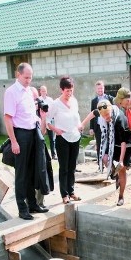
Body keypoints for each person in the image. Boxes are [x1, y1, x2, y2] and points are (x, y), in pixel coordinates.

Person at [3, 62, 49, 220]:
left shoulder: (30, 91)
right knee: (21, 173)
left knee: (32, 170)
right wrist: (14, 141)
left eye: (30, 77)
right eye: (26, 77)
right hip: (20, 134)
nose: (29, 80)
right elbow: (8, 118)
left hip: (32, 132)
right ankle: (22, 208)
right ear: (18, 74)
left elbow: (31, 113)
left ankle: (32, 203)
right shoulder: (11, 92)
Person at [81, 99, 131, 206]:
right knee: (104, 158)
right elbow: (93, 113)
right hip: (111, 141)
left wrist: (120, 161)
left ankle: (121, 196)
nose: (106, 117)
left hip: (123, 144)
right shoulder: (101, 112)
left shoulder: (120, 119)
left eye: (108, 115)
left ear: (110, 110)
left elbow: (124, 142)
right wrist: (82, 124)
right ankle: (114, 173)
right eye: (104, 116)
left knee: (122, 170)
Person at [47, 76, 84, 204]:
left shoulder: (74, 101)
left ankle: (71, 191)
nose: (69, 93)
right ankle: (64, 194)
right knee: (64, 167)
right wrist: (56, 130)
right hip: (62, 138)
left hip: (75, 137)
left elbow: (77, 117)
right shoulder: (55, 104)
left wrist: (79, 126)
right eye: (67, 90)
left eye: (71, 90)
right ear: (61, 90)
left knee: (72, 166)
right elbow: (47, 121)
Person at [90, 80, 114, 172]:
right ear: (96, 90)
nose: (100, 90)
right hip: (98, 127)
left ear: (104, 88)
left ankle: (110, 163)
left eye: (101, 88)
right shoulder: (94, 101)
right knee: (99, 145)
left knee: (109, 144)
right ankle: (100, 166)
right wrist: (91, 127)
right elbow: (92, 114)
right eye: (98, 88)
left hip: (108, 125)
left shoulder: (110, 98)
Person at [38, 85, 56, 160]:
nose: (44, 92)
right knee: (41, 137)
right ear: (40, 91)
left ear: (46, 91)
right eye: (42, 91)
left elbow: (53, 109)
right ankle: (43, 154)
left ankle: (53, 154)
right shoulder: (38, 100)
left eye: (45, 91)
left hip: (49, 120)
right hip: (41, 120)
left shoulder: (50, 100)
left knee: (52, 138)